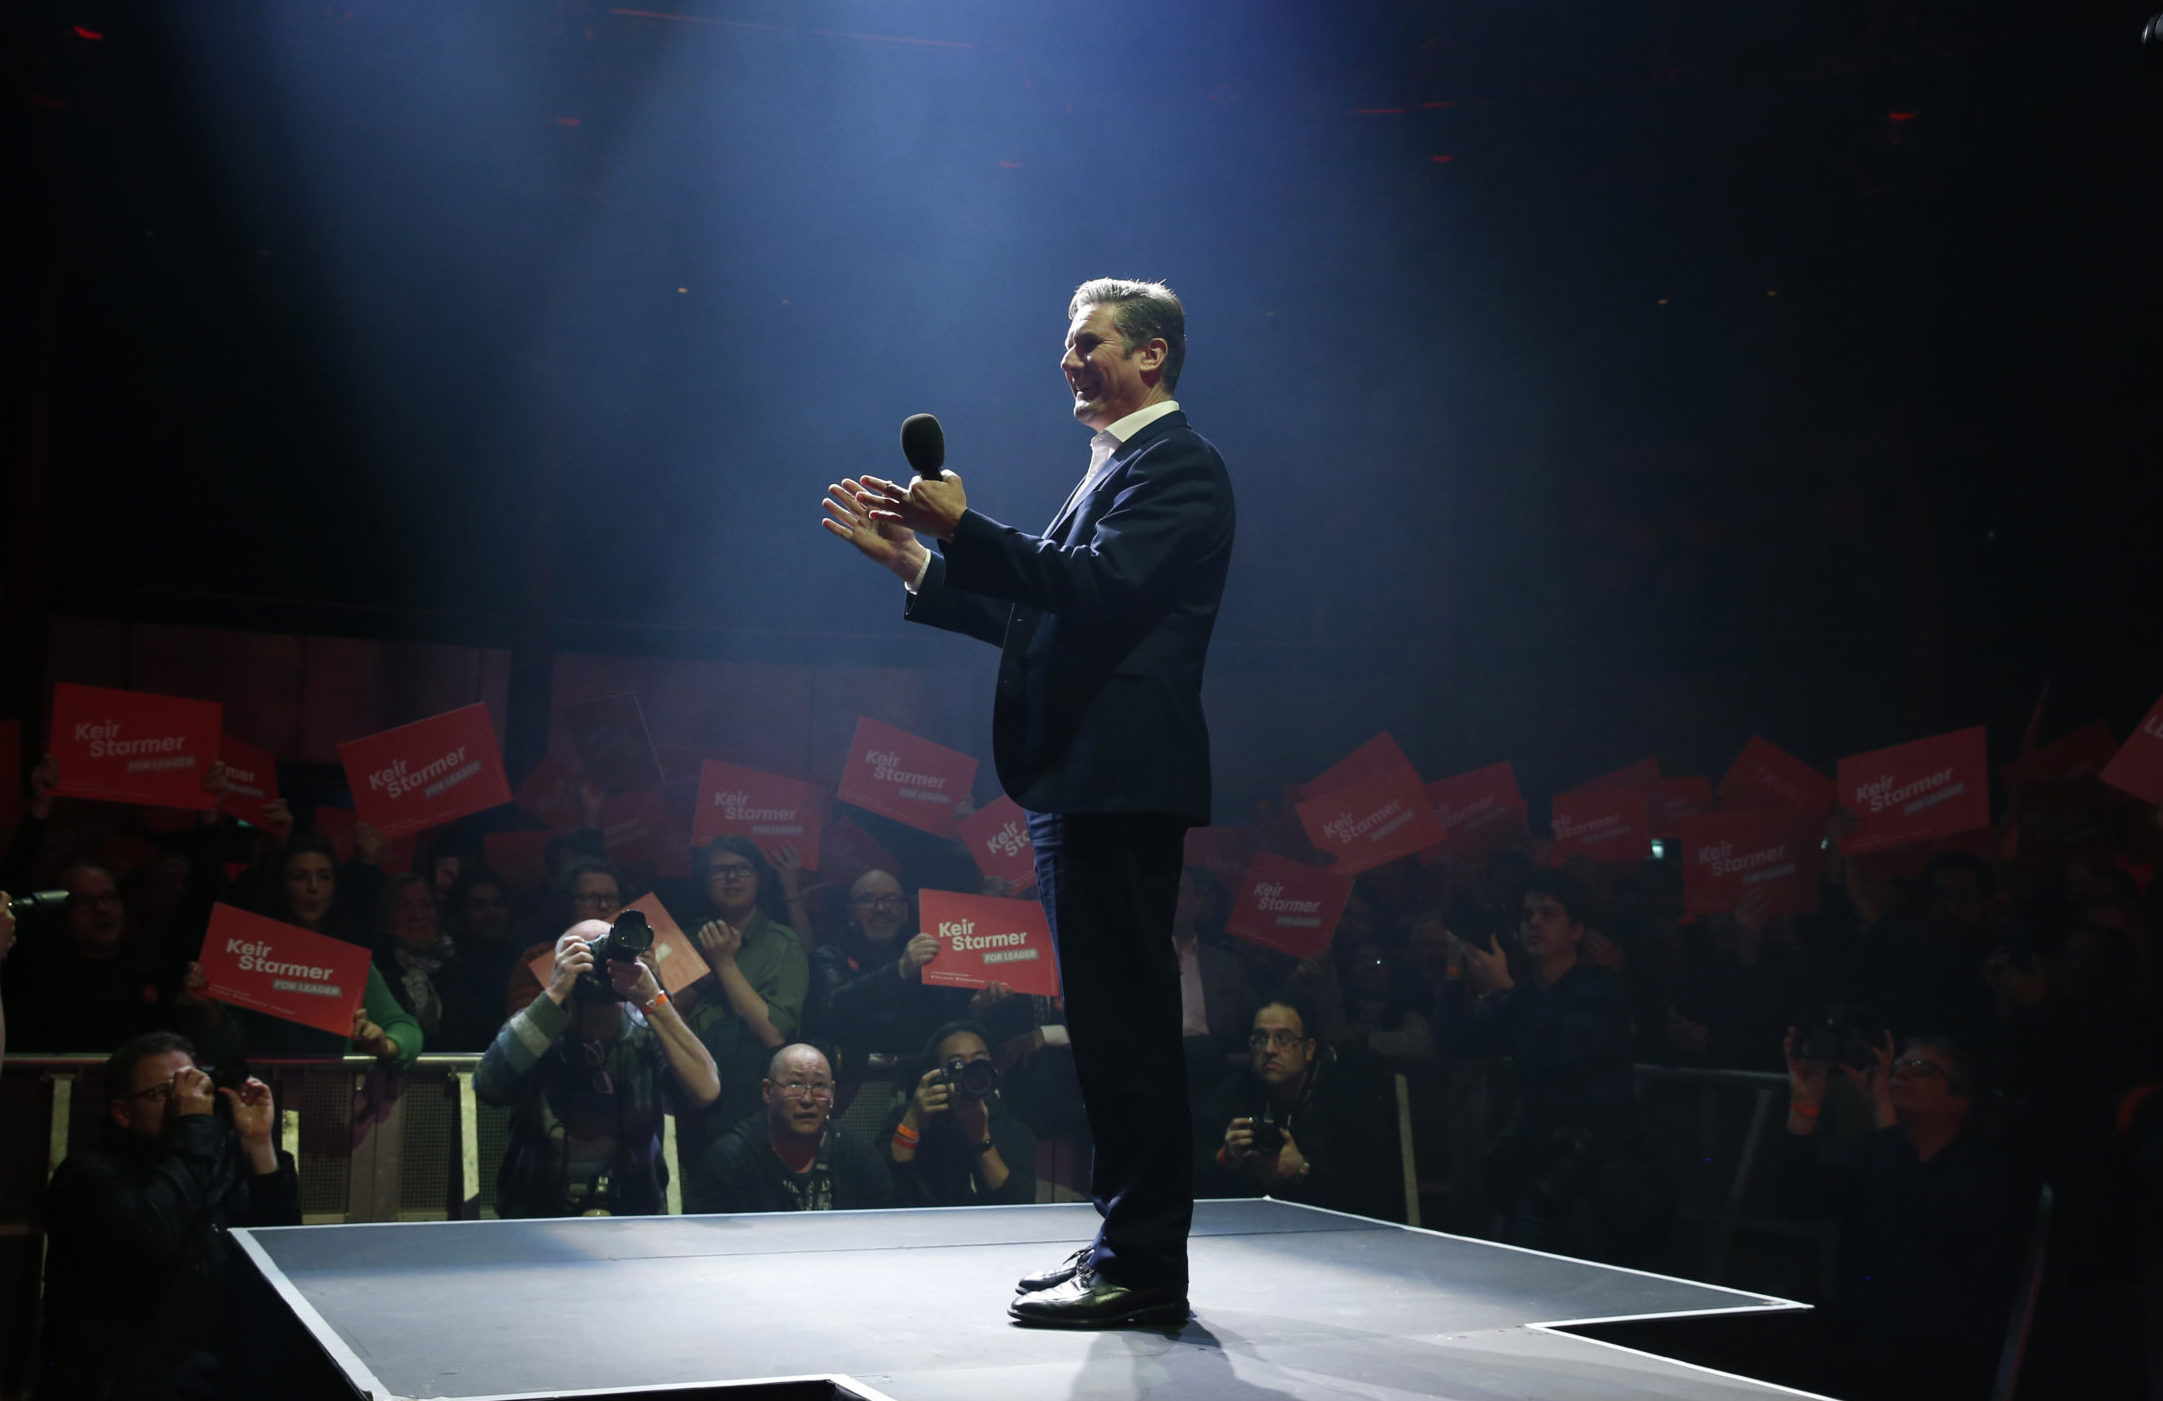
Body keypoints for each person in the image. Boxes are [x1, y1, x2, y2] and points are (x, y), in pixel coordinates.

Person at [824, 277, 1233, 1328]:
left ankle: (1144, 1265)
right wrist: (920, 561)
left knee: (1125, 1027)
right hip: (1082, 783)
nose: (1067, 359)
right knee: (1103, 1027)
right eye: (1067, 343)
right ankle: (1121, 1244)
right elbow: (1046, 616)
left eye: (1088, 341)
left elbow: (1090, 589)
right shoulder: (1114, 467)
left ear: (1150, 355)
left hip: (1118, 783)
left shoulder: (1179, 465)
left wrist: (967, 527)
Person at [36, 1031, 299, 1401]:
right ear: (123, 1112)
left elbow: (279, 1252)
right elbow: (151, 1236)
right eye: (166, 1092)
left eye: (192, 1086)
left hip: (219, 1372)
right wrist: (193, 1129)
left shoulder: (211, 1159)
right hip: (126, 1380)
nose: (183, 1100)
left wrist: (259, 1145)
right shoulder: (86, 1178)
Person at [1779, 1029, 2030, 1401]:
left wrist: (1884, 1111)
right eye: (1899, 1065)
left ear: (1959, 1101)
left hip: (1939, 1359)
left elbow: (1921, 1220)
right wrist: (1804, 1106)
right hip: (1857, 1346)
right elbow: (1799, 1202)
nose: (1903, 1073)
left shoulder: (1985, 1171)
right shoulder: (1876, 1152)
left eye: (1923, 1069)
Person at [1441, 871, 1669, 1263]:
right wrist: (1453, 972)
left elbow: (1567, 1051)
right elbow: (1455, 1041)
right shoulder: (1524, 993)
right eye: (1527, 915)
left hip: (1594, 1168)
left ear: (1576, 930)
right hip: (1535, 1164)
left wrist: (1506, 992)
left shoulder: (1601, 989)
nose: (1534, 923)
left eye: (1548, 914)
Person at [474, 919, 720, 1217]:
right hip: (536, 1212)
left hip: (634, 1211)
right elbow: (489, 1087)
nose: (599, 962)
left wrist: (654, 996)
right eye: (584, 952)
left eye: (608, 950)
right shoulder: (537, 1026)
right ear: (560, 963)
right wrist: (555, 991)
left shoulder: (647, 1029)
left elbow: (706, 1090)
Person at [1195, 996, 1404, 1221]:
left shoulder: (1347, 1100)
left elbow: (1375, 1192)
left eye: (1284, 1039)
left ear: (1309, 1049)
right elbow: (1192, 1191)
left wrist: (1303, 1170)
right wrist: (1224, 1160)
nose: (1269, 1049)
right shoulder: (1227, 1100)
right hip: (1247, 1226)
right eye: (1260, 1039)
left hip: (1332, 1230)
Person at [673, 836, 810, 1164]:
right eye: (719, 871)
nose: (731, 878)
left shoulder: (783, 943)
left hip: (750, 1096)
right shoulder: (686, 937)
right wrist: (700, 980)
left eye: (742, 869)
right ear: (706, 882)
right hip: (684, 1083)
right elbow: (665, 1016)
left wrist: (723, 963)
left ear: (758, 878)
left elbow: (772, 1034)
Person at [686, 1043, 896, 1214]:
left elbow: (885, 1224)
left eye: (819, 1086)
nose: (807, 1099)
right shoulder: (729, 1161)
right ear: (768, 1091)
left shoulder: (856, 1155)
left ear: (832, 1094)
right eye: (795, 1084)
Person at [880, 1020, 1037, 1207]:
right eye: (957, 1064)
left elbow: (1018, 1203)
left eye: (979, 1061)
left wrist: (980, 1138)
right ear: (936, 1073)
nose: (972, 1071)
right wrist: (913, 1120)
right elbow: (887, 1189)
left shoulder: (1011, 1128)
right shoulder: (910, 1116)